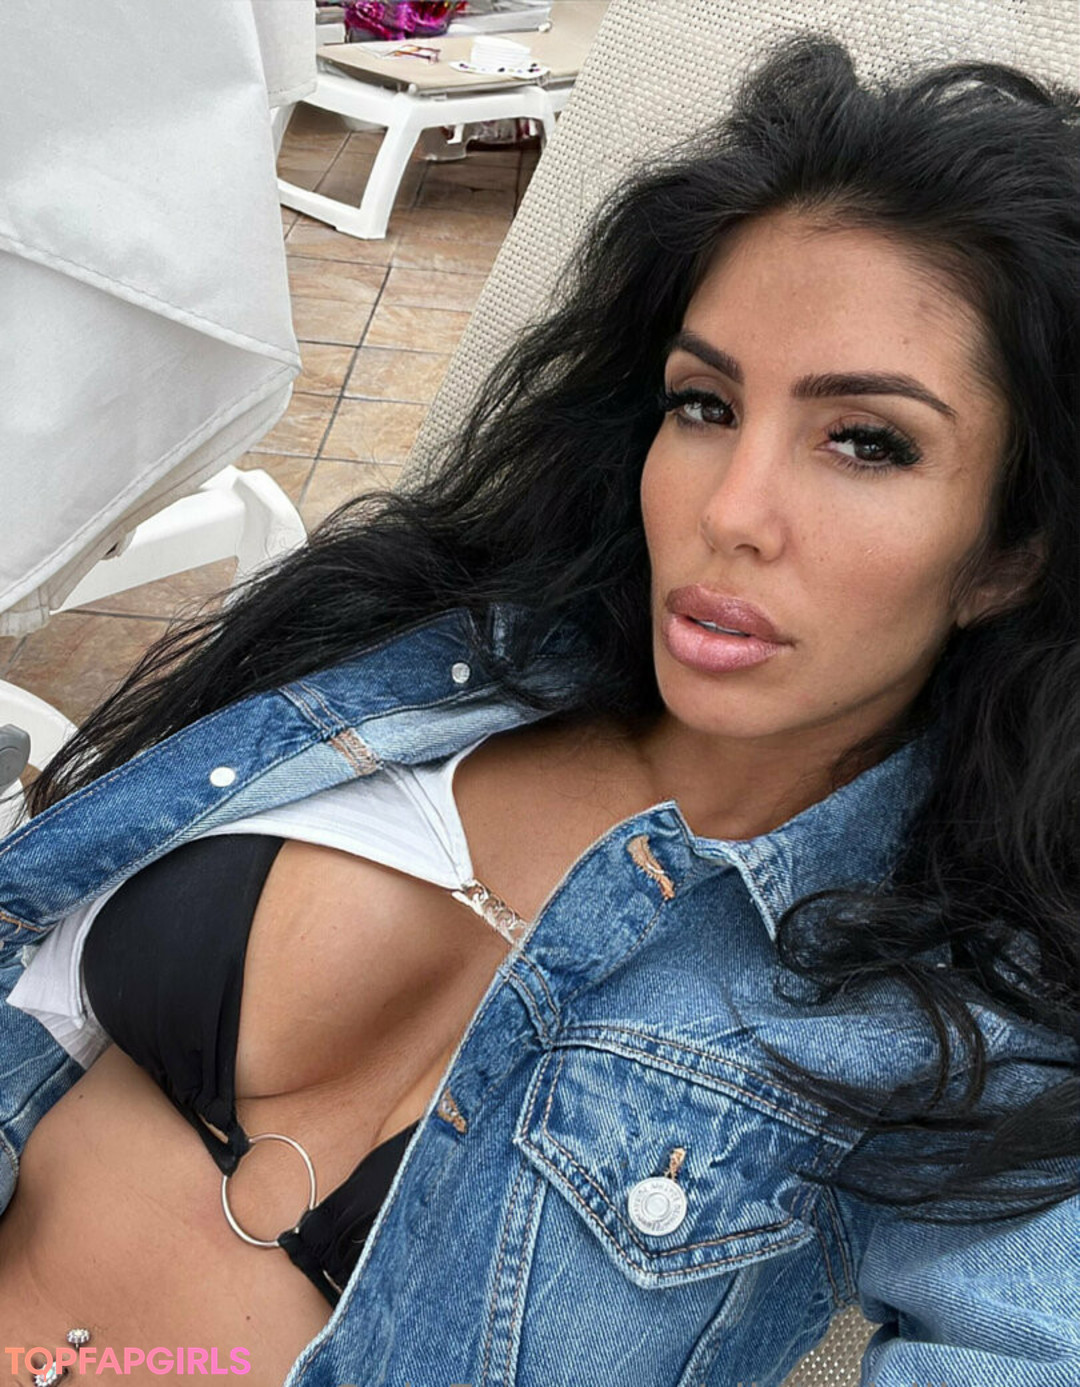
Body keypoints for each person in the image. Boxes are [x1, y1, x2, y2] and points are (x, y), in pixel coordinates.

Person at [0, 32, 1077, 1387]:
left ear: (1009, 553)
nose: (730, 511)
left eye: (867, 441)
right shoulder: (433, 646)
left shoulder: (967, 1015)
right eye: (704, 405)